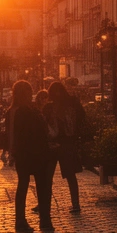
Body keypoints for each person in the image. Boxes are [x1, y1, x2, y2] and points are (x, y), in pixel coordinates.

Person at [9, 80, 53, 233]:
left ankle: (22, 220)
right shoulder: (25, 111)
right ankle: (43, 220)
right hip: (34, 153)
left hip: (25, 154)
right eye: (28, 91)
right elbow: (27, 133)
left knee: (24, 186)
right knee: (41, 186)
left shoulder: (16, 110)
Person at [44, 82, 88, 214]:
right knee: (65, 176)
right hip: (63, 143)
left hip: (58, 143)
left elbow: (44, 125)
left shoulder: (52, 107)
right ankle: (74, 204)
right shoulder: (68, 105)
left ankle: (47, 204)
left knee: (55, 175)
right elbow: (82, 119)